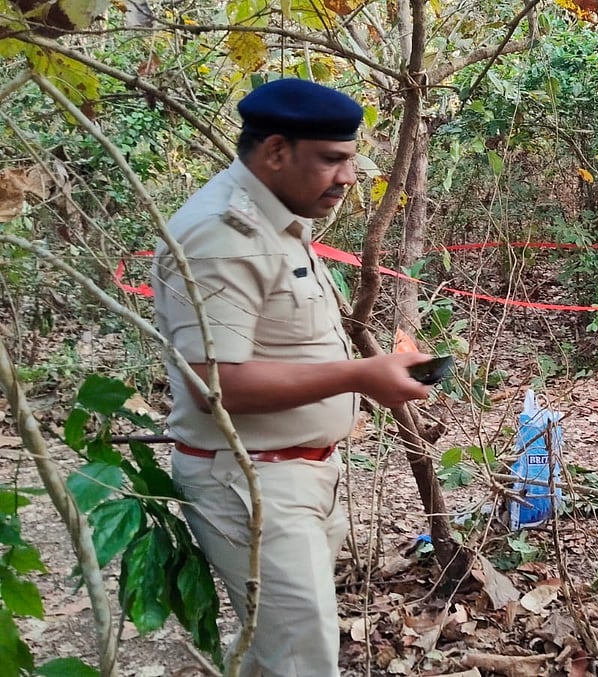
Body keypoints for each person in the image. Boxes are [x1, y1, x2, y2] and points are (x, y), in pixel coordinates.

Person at [152, 79, 434, 674]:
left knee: (277, 651)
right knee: (302, 660)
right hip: (252, 484)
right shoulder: (223, 235)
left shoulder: (276, 219)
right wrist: (361, 376)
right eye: (332, 160)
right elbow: (215, 386)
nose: (348, 178)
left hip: (299, 476)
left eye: (351, 160)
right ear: (276, 151)